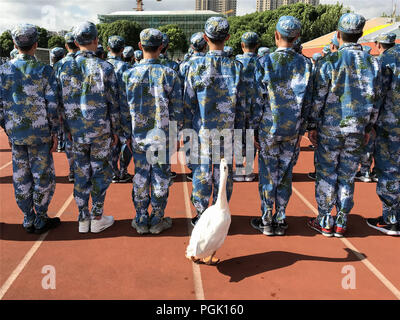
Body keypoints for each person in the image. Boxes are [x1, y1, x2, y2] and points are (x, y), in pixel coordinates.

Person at [308, 13, 382, 238]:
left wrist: (312, 125)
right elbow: (376, 99)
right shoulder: (373, 63)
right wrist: (369, 128)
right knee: (348, 175)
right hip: (357, 130)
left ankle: (324, 220)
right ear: (360, 35)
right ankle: (341, 220)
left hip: (330, 129)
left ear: (338, 34)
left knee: (326, 173)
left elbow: (318, 98)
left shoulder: (329, 62)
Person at [58, 21, 124, 233]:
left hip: (75, 132)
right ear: (96, 41)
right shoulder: (106, 68)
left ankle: (82, 218)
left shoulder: (63, 67)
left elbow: (58, 103)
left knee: (81, 173)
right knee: (100, 173)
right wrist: (116, 130)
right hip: (100, 131)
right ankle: (97, 216)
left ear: (76, 42)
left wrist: (65, 129)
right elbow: (114, 104)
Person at [250, 16, 313, 237]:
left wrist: (253, 129)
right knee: (285, 173)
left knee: (268, 172)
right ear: (296, 38)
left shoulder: (264, 62)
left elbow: (257, 101)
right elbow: (308, 101)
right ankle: (281, 217)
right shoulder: (306, 64)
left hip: (269, 127)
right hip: (293, 128)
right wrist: (304, 126)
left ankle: (267, 218)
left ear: (276, 35)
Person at [184, 17, 247, 226]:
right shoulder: (237, 67)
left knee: (202, 172)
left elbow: (188, 102)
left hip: (202, 131)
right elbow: (244, 105)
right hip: (229, 132)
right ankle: (220, 213)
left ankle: (202, 214)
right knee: (225, 174)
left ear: (205, 37)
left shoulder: (194, 67)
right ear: (228, 38)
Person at [0, 24, 60, 234]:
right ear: (36, 44)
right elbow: (52, 104)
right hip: (41, 132)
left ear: (15, 45)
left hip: (16, 133)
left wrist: (8, 128)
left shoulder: (4, 70)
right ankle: (41, 217)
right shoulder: (45, 71)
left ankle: (28, 217)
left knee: (21, 176)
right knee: (42, 176)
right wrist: (54, 132)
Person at [123, 28, 183, 235]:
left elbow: (123, 109)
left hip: (138, 136)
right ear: (162, 47)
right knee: (160, 177)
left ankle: (140, 218)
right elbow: (177, 110)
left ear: (140, 47)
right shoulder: (170, 75)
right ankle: (157, 218)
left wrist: (125, 135)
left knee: (140, 176)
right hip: (162, 137)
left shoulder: (128, 75)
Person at [367, 32, 400, 236]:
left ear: (379, 44)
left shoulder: (386, 60)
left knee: (389, 170)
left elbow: (377, 94)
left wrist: (370, 123)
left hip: (391, 125)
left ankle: (392, 219)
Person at [234, 31, 263, 183]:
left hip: (239, 107)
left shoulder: (236, 63)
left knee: (238, 137)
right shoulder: (262, 62)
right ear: (257, 45)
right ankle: (249, 171)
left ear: (242, 45)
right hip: (256, 107)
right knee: (253, 137)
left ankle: (239, 170)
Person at [179, 32, 208, 181]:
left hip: (189, 107)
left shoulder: (185, 65)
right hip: (207, 110)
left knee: (190, 140)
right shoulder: (210, 62)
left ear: (192, 46)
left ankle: (193, 168)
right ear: (206, 45)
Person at [107, 35, 133, 184]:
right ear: (122, 50)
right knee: (126, 141)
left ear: (108, 49)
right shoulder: (127, 68)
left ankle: (113, 172)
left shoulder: (102, 65)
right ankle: (123, 170)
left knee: (111, 142)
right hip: (123, 110)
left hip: (107, 111)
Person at [53, 32, 79, 183]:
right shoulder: (88, 62)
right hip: (86, 111)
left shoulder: (59, 65)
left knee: (69, 142)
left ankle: (73, 171)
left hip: (66, 111)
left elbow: (54, 91)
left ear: (66, 46)